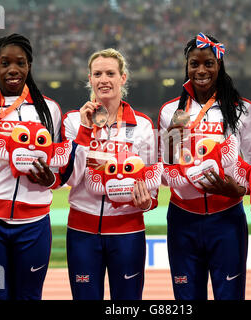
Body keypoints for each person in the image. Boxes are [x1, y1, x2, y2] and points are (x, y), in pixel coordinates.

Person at [0, 33, 88, 300]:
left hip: (34, 223)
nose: (13, 69)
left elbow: (57, 170)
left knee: (28, 297)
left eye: (20, 62)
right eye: (5, 63)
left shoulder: (48, 110)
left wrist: (50, 179)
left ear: (29, 66)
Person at [158, 33, 251, 300]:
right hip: (182, 219)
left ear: (219, 65)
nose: (201, 70)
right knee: (186, 298)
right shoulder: (171, 111)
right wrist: (171, 138)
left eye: (209, 63)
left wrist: (238, 189)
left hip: (226, 218)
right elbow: (166, 167)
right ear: (187, 67)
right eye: (194, 64)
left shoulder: (242, 110)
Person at [60, 48, 159, 300]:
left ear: (122, 78)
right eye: (97, 74)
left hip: (128, 230)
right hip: (82, 230)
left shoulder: (143, 125)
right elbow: (70, 177)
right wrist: (85, 129)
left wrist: (148, 202)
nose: (104, 79)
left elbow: (152, 185)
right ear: (90, 79)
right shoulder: (73, 121)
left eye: (110, 73)